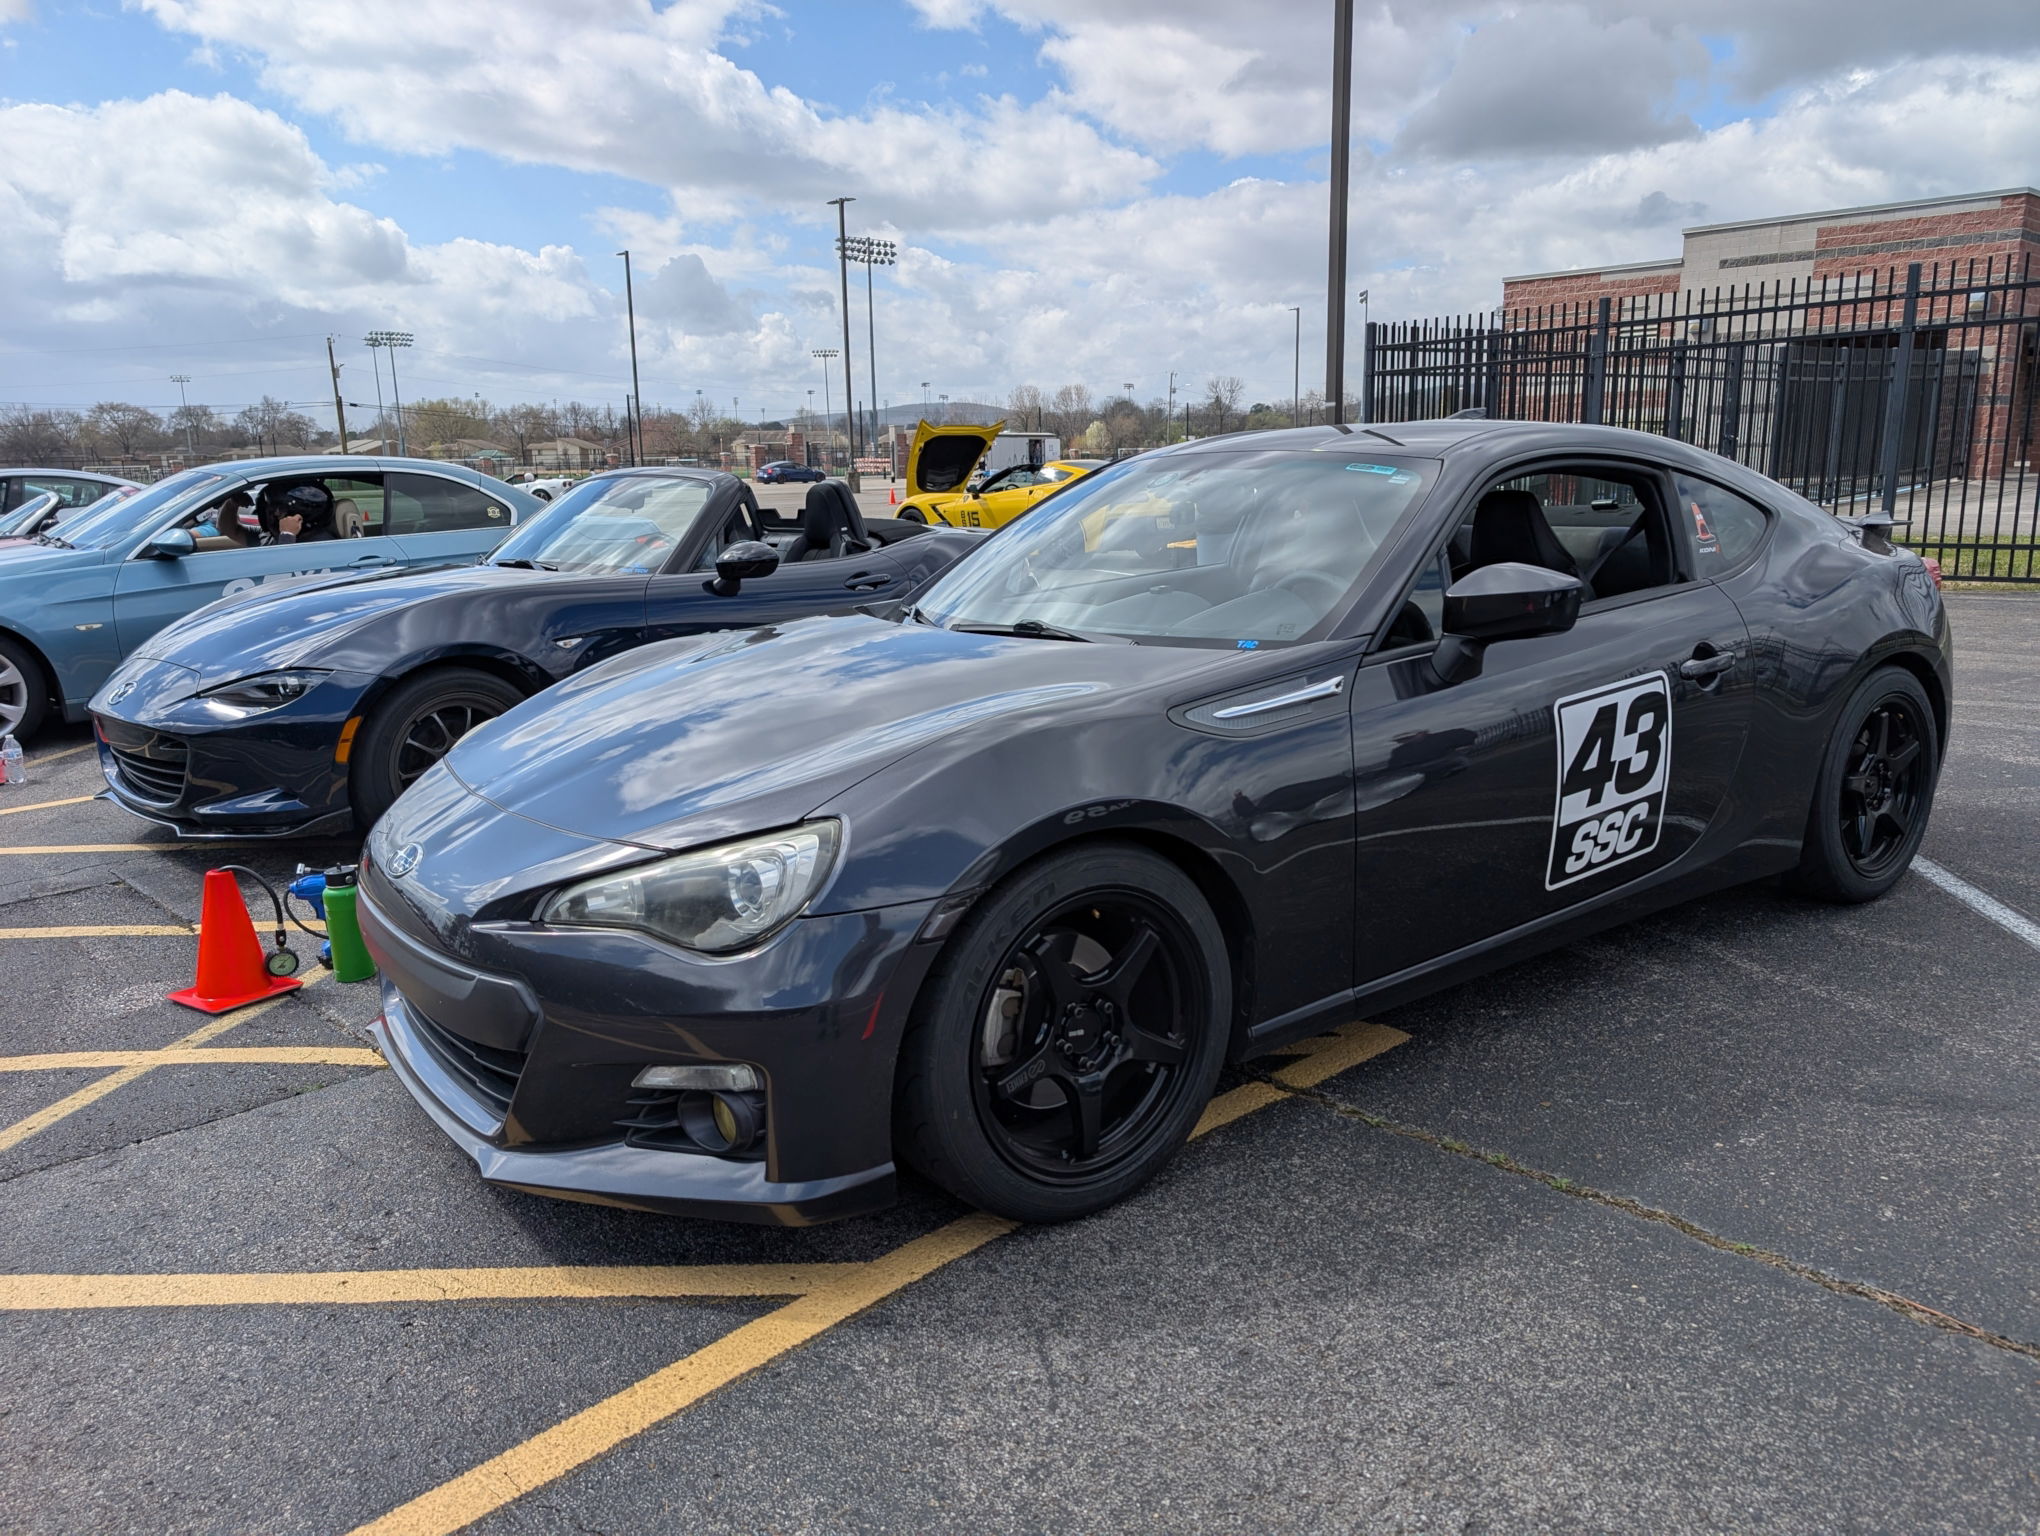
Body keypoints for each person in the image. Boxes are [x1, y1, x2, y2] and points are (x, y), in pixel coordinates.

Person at [261, 482, 341, 544]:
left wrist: (287, 535)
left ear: (299, 514)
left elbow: (283, 563)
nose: (276, 513)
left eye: (281, 509)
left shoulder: (320, 543)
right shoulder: (301, 539)